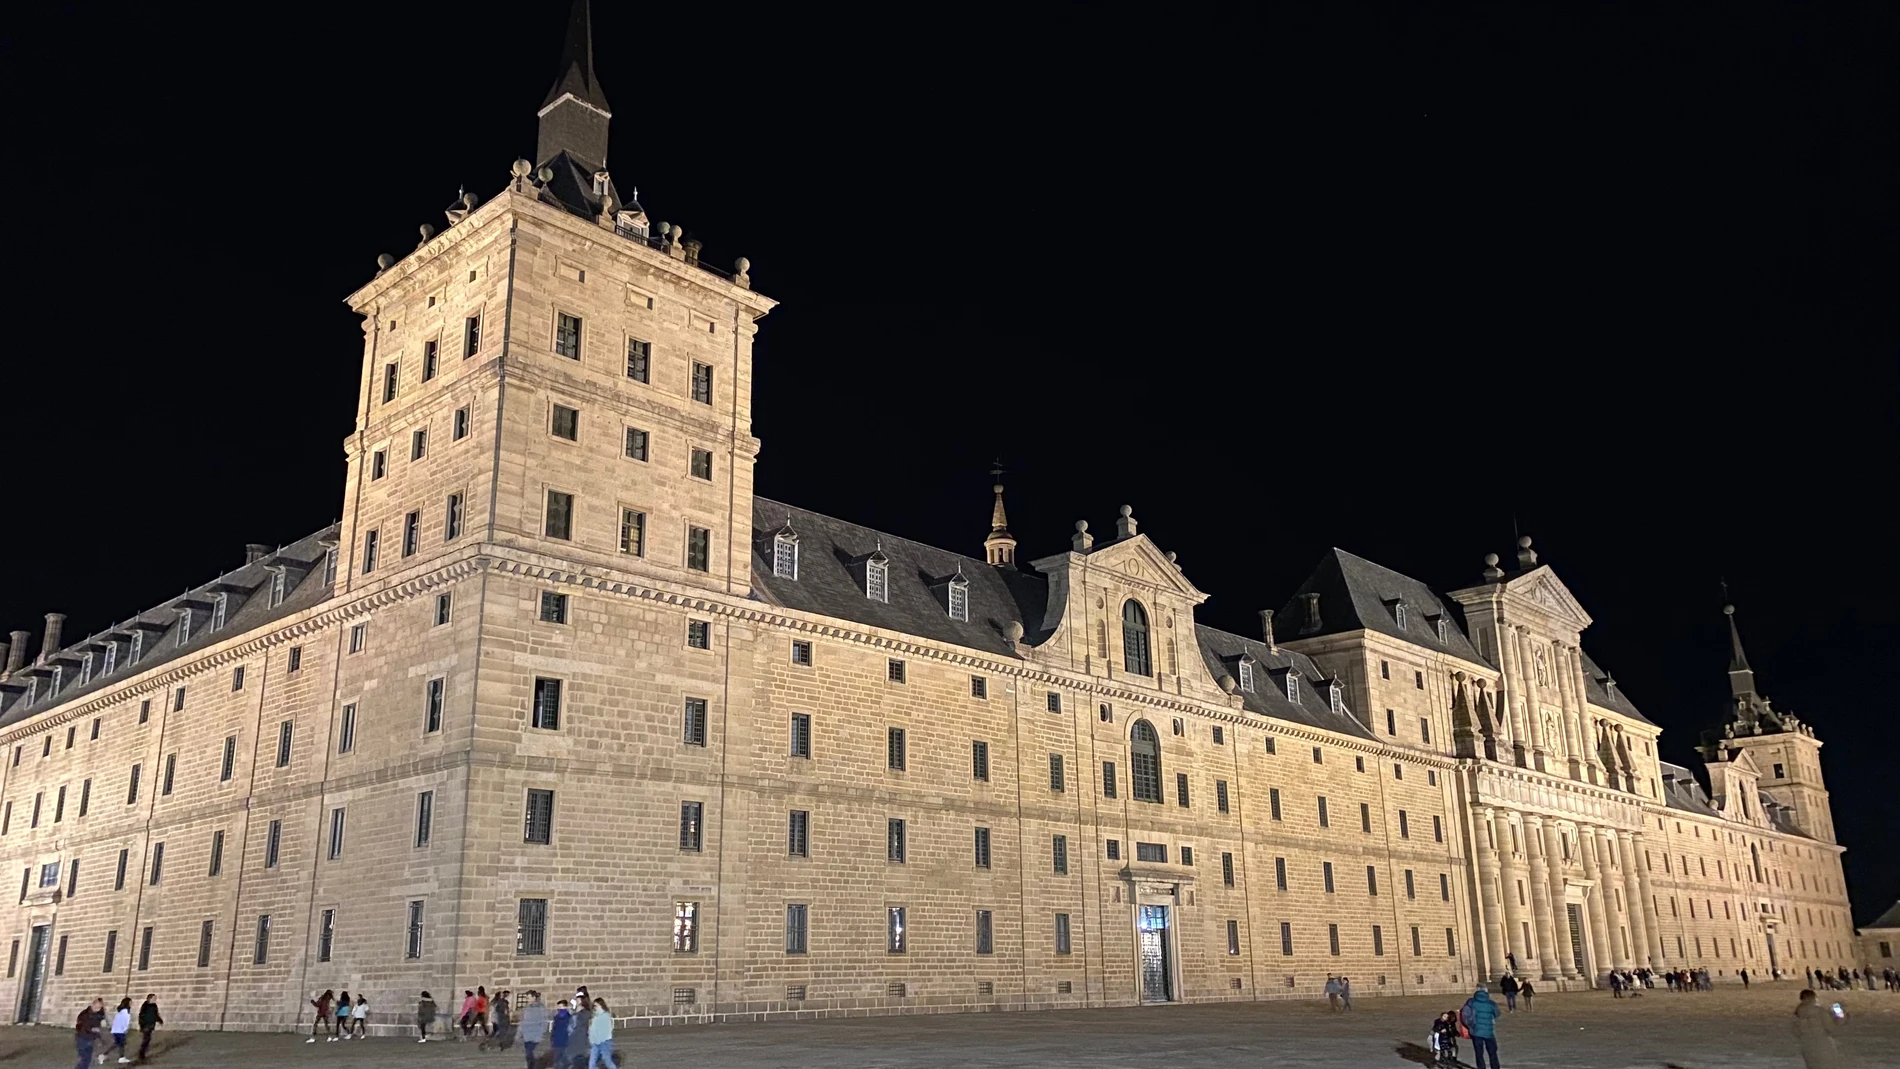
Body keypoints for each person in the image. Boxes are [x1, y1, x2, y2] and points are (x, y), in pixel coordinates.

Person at [1791, 989, 1842, 1069]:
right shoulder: (1820, 1011)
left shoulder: (1797, 1014)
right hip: (1823, 1045)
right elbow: (1831, 1028)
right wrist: (1838, 1017)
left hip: (1807, 1047)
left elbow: (1796, 1031)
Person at [1460, 984, 1500, 1069]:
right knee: (1492, 1052)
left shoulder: (1471, 1002)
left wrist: (1470, 1026)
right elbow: (1497, 1014)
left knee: (1479, 1053)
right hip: (1489, 1032)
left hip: (1476, 1032)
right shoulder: (1491, 1003)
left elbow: (1464, 1015)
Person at [519, 991, 549, 1069]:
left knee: (534, 1055)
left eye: (528, 997)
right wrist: (519, 1033)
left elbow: (544, 1021)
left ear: (534, 997)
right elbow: (522, 1021)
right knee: (528, 1055)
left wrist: (542, 1033)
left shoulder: (541, 1008)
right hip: (527, 1035)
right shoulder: (526, 1008)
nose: (527, 999)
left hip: (536, 1035)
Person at [75, 998, 106, 1069]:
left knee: (88, 1059)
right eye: (95, 1006)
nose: (96, 1008)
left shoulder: (99, 1015)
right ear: (92, 1004)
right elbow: (81, 1026)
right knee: (84, 1058)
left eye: (99, 1007)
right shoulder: (84, 1014)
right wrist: (92, 1029)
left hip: (91, 1039)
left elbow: (99, 1026)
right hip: (82, 1038)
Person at [586, 997, 615, 1069]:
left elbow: (607, 1030)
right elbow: (592, 1028)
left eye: (596, 1006)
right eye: (594, 1006)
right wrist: (591, 1039)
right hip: (595, 1043)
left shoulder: (605, 1016)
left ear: (601, 1005)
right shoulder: (595, 1016)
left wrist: (600, 1039)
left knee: (607, 1061)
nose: (595, 1008)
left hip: (604, 1042)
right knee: (591, 1064)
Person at [135, 994, 163, 1062]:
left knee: (147, 1039)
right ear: (149, 999)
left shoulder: (154, 1006)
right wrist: (142, 1025)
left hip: (151, 1025)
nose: (155, 1000)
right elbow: (141, 1016)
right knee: (146, 1040)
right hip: (146, 1025)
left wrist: (160, 1020)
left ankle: (142, 1053)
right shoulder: (145, 1006)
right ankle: (141, 1054)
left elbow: (156, 1014)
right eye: (154, 998)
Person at [107, 997, 133, 1063]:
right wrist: (125, 1029)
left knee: (117, 1044)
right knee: (121, 1044)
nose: (131, 1004)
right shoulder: (126, 1012)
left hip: (115, 1030)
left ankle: (104, 1054)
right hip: (120, 1030)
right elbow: (125, 1022)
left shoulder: (120, 1011)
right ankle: (121, 1057)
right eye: (130, 1002)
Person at [550, 999, 574, 1069]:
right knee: (557, 1060)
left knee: (564, 1060)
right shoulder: (557, 1017)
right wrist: (552, 1038)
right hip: (557, 1041)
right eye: (559, 1007)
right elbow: (554, 1029)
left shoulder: (569, 1018)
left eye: (561, 1007)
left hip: (565, 1041)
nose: (559, 1009)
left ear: (565, 1007)